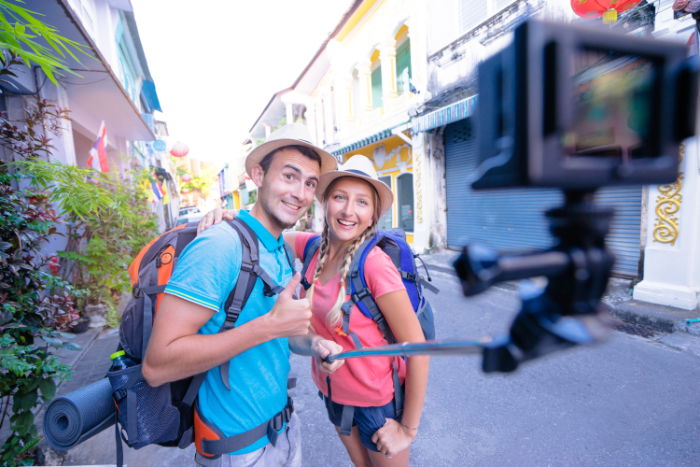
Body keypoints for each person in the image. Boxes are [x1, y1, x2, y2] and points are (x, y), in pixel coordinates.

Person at [200, 155, 430, 467]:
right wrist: (227, 217)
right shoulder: (313, 248)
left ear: (374, 213)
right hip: (333, 396)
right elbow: (264, 229)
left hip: (377, 404)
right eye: (340, 197)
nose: (349, 211)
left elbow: (418, 349)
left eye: (362, 202)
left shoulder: (375, 265)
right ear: (325, 203)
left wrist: (407, 429)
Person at [142, 123, 345, 467]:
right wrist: (268, 326)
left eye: (310, 183)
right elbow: (157, 366)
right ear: (258, 175)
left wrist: (314, 345)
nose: (301, 193)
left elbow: (281, 335)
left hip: (282, 429)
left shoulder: (279, 248)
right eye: (290, 176)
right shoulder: (219, 245)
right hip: (236, 451)